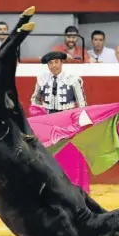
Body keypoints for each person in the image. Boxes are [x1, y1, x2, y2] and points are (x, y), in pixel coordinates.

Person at [31, 51, 89, 193]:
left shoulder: (73, 79)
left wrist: (78, 123)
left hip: (67, 120)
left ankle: (72, 186)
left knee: (68, 155)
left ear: (61, 63)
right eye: (50, 63)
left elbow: (82, 104)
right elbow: (35, 99)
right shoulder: (42, 79)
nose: (53, 65)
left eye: (56, 62)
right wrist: (41, 111)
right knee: (49, 154)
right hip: (50, 120)